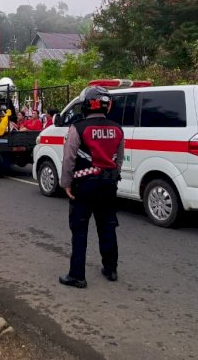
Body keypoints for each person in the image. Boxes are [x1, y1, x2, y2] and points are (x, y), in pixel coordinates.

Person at [58, 86, 124, 289]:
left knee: (79, 229)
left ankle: (77, 275)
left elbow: (69, 158)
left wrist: (65, 183)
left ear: (86, 104)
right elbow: (118, 159)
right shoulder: (117, 128)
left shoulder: (78, 128)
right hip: (108, 185)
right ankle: (110, 269)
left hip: (84, 186)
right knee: (108, 226)